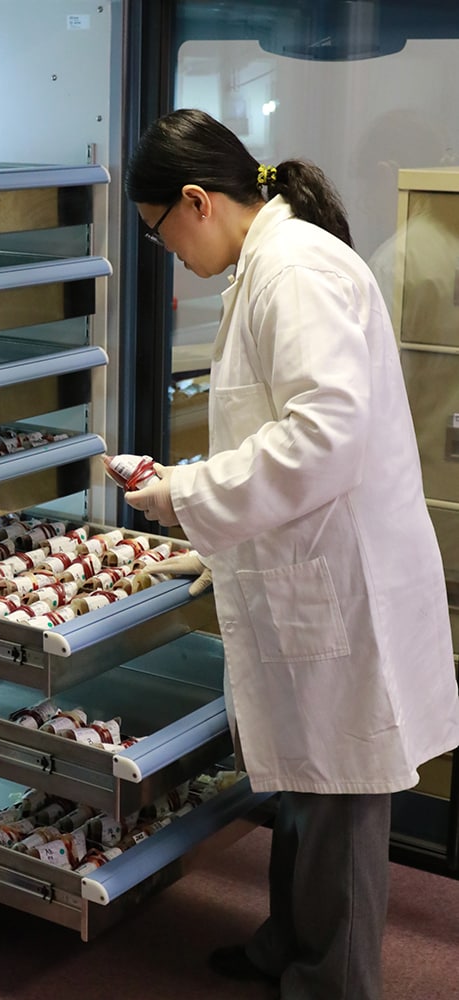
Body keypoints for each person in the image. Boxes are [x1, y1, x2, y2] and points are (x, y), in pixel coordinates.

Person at [123, 108, 459, 1000]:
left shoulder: (294, 270)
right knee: (306, 781)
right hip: (314, 568)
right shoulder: (268, 265)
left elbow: (322, 439)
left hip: (346, 587)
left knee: (339, 790)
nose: (170, 256)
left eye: (159, 236)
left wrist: (183, 495)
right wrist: (212, 540)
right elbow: (281, 432)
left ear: (195, 201)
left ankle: (332, 981)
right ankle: (289, 947)